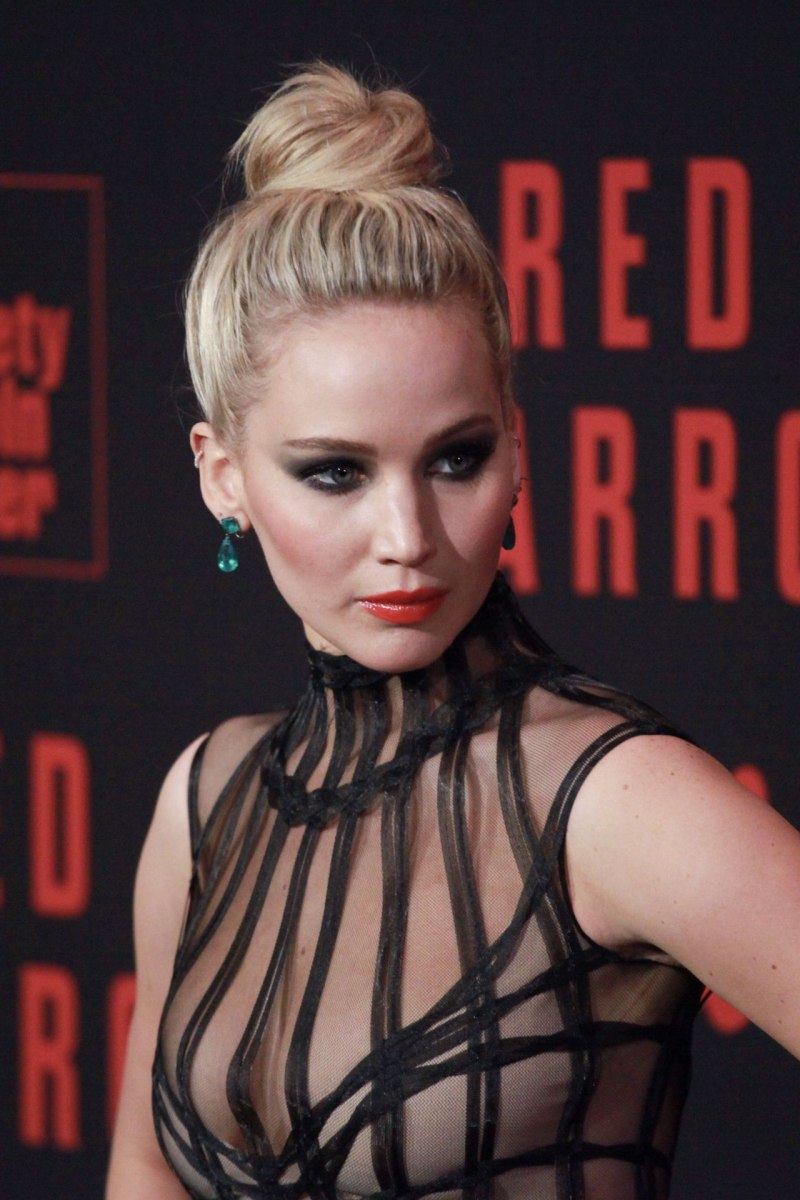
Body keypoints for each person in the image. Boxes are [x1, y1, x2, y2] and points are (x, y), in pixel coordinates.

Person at [106, 64, 800, 1200]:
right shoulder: (205, 803)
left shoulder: (613, 801)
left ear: (515, 450)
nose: (408, 537)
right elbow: (144, 1168)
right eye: (334, 472)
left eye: (455, 459)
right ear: (222, 475)